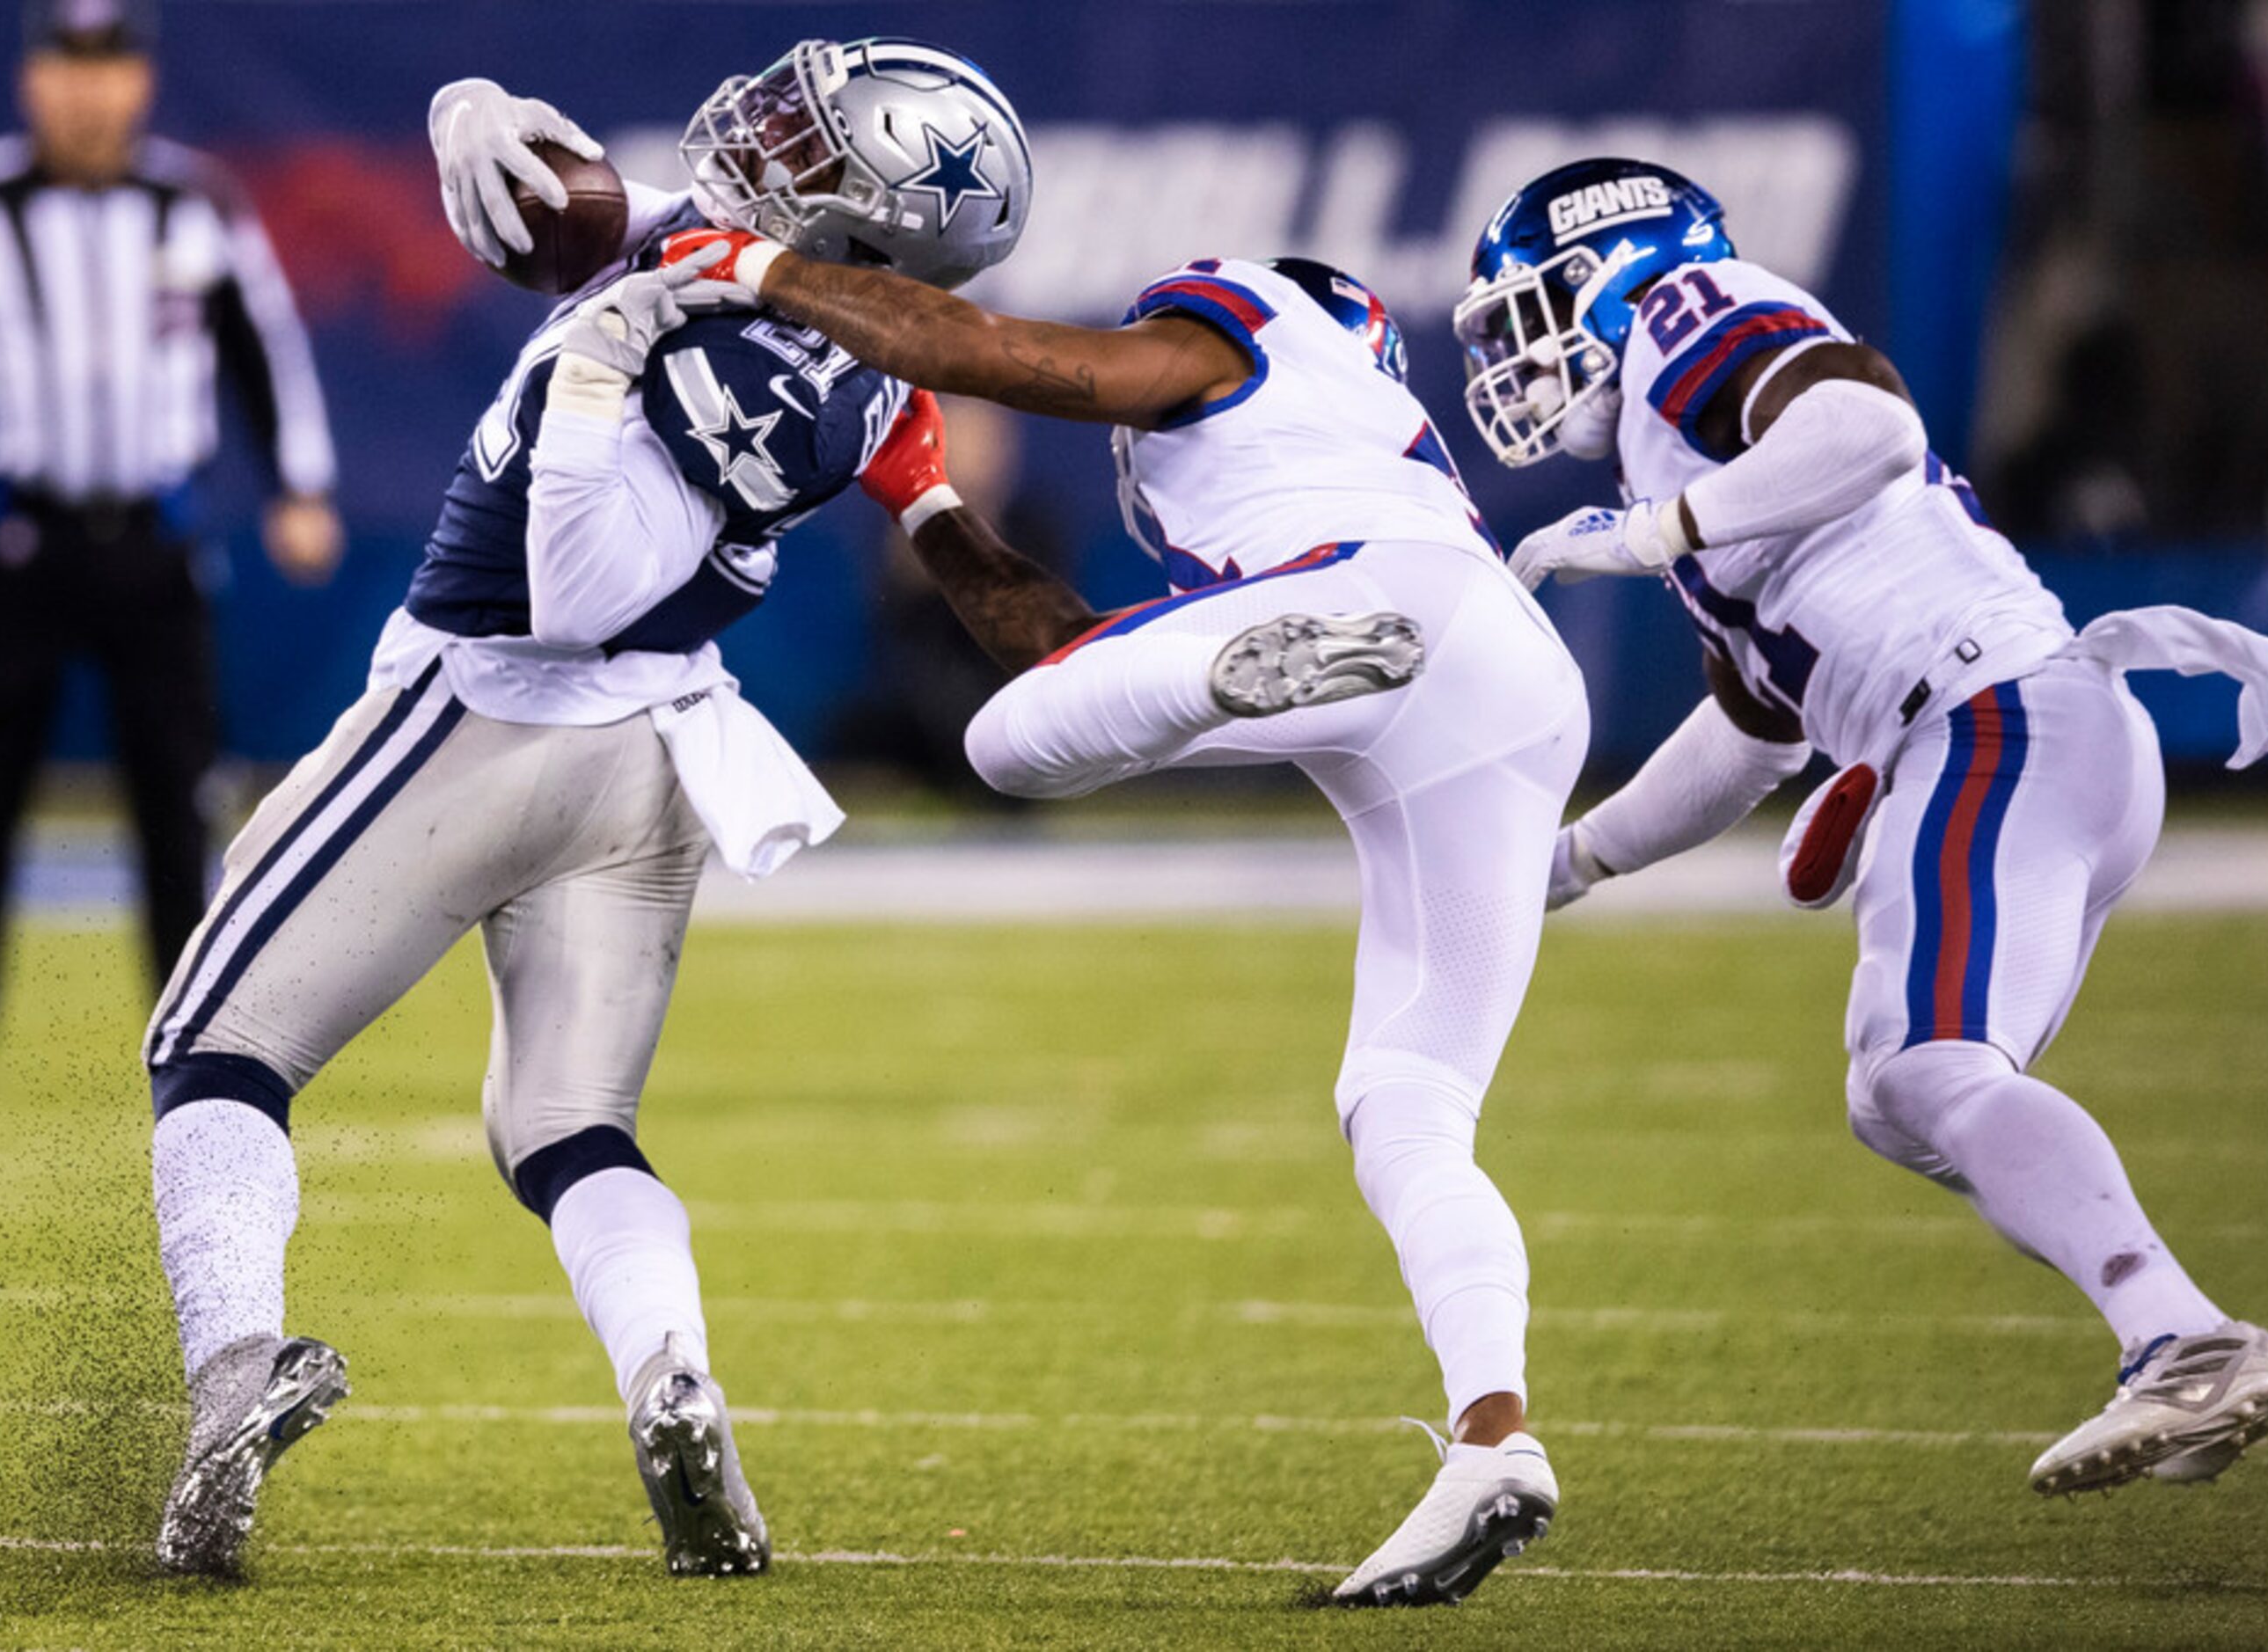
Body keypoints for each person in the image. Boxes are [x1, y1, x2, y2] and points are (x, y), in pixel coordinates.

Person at [139, 38, 1030, 1576]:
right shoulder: (865, 360)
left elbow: (572, 591)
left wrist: (597, 365)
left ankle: (232, 1370)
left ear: (869, 226)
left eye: (815, 158)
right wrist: (465, 111)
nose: (766, 149)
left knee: (212, 1048)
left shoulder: (692, 333)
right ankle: (672, 1373)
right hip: (658, 758)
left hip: (494, 707)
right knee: (567, 1126)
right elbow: (584, 220)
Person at [659, 218, 1588, 1603]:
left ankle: (1249, 673)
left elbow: (1008, 358)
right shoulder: (1367, 434)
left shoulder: (1251, 328)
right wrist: (930, 506)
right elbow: (1073, 652)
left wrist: (762, 270)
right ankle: (1493, 1438)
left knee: (1003, 747)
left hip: (1378, 611)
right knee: (1406, 1103)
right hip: (1505, 686)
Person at [1451, 157, 2268, 1497]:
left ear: (1605, 270)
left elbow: (1864, 425)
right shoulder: (1680, 452)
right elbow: (1754, 733)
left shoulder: (1688, 310)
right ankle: (2177, 1334)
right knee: (1907, 1089)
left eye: (1530, 306)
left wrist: (1656, 532)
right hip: (2027, 729)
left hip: (1992, 718)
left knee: (1925, 1067)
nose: (1516, 355)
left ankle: (2187, 1336)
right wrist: (1569, 862)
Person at [0, 0, 342, 1081]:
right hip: (16, 538)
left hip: (154, 538)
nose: (87, 90)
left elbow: (262, 347)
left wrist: (299, 484)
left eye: (109, 66)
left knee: (179, 794)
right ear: (32, 80)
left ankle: (200, 1040)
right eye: (67, 67)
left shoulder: (195, 205)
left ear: (141, 80)